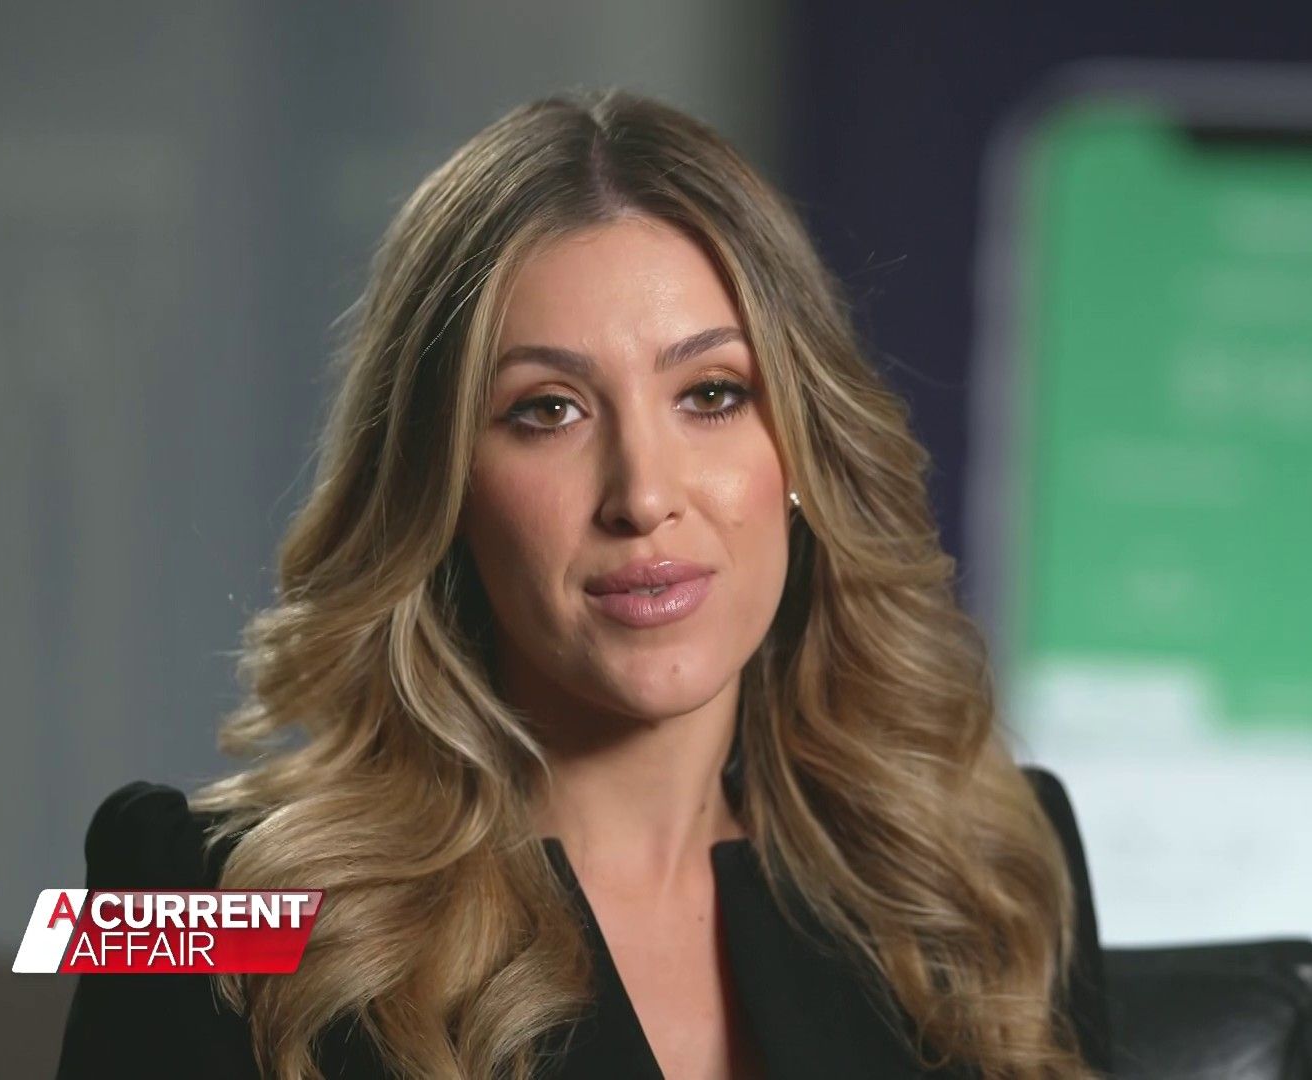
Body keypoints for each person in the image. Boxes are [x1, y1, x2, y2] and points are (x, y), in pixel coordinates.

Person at [55, 88, 1110, 1080]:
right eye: (547, 409)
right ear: (442, 486)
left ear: (803, 450)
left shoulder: (992, 877)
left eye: (711, 393)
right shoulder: (180, 900)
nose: (642, 495)